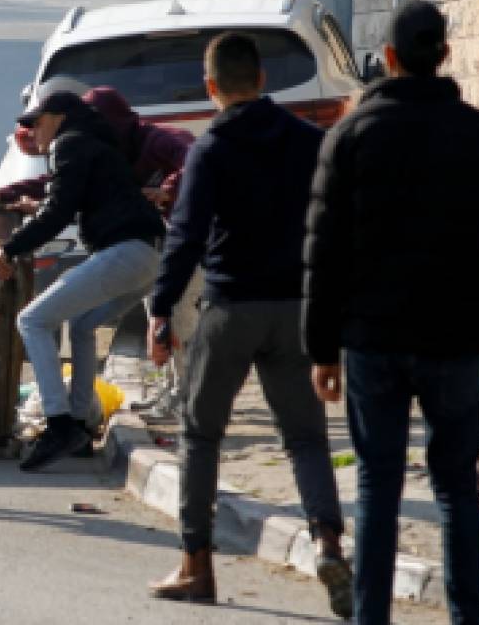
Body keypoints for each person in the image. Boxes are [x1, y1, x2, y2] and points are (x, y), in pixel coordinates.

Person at [305, 0, 479, 625]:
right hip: (456, 338)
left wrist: (321, 348)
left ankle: (370, 616)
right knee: (457, 487)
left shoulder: (350, 137)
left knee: (377, 487)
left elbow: (323, 251)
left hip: (372, 338)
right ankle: (467, 616)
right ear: (445, 55)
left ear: (390, 58)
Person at [145, 32, 350, 615]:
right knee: (306, 438)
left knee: (200, 435)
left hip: (230, 309)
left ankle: (196, 566)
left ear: (211, 87)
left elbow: (186, 236)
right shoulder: (310, 141)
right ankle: (328, 543)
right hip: (295, 311)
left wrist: (162, 309)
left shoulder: (211, 148)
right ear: (262, 80)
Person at [0, 90, 167, 472]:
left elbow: (58, 212)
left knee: (32, 320)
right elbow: (73, 201)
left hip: (125, 252)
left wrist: (8, 249)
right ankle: (82, 425)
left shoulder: (68, 143)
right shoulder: (96, 145)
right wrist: (39, 207)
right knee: (83, 324)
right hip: (150, 258)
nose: (32, 131)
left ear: (59, 117)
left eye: (36, 122)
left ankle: (59, 425)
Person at [0, 85, 193, 217]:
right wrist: (1, 195)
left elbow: (196, 162)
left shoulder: (158, 140)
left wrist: (167, 190)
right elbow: (62, 182)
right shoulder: (102, 154)